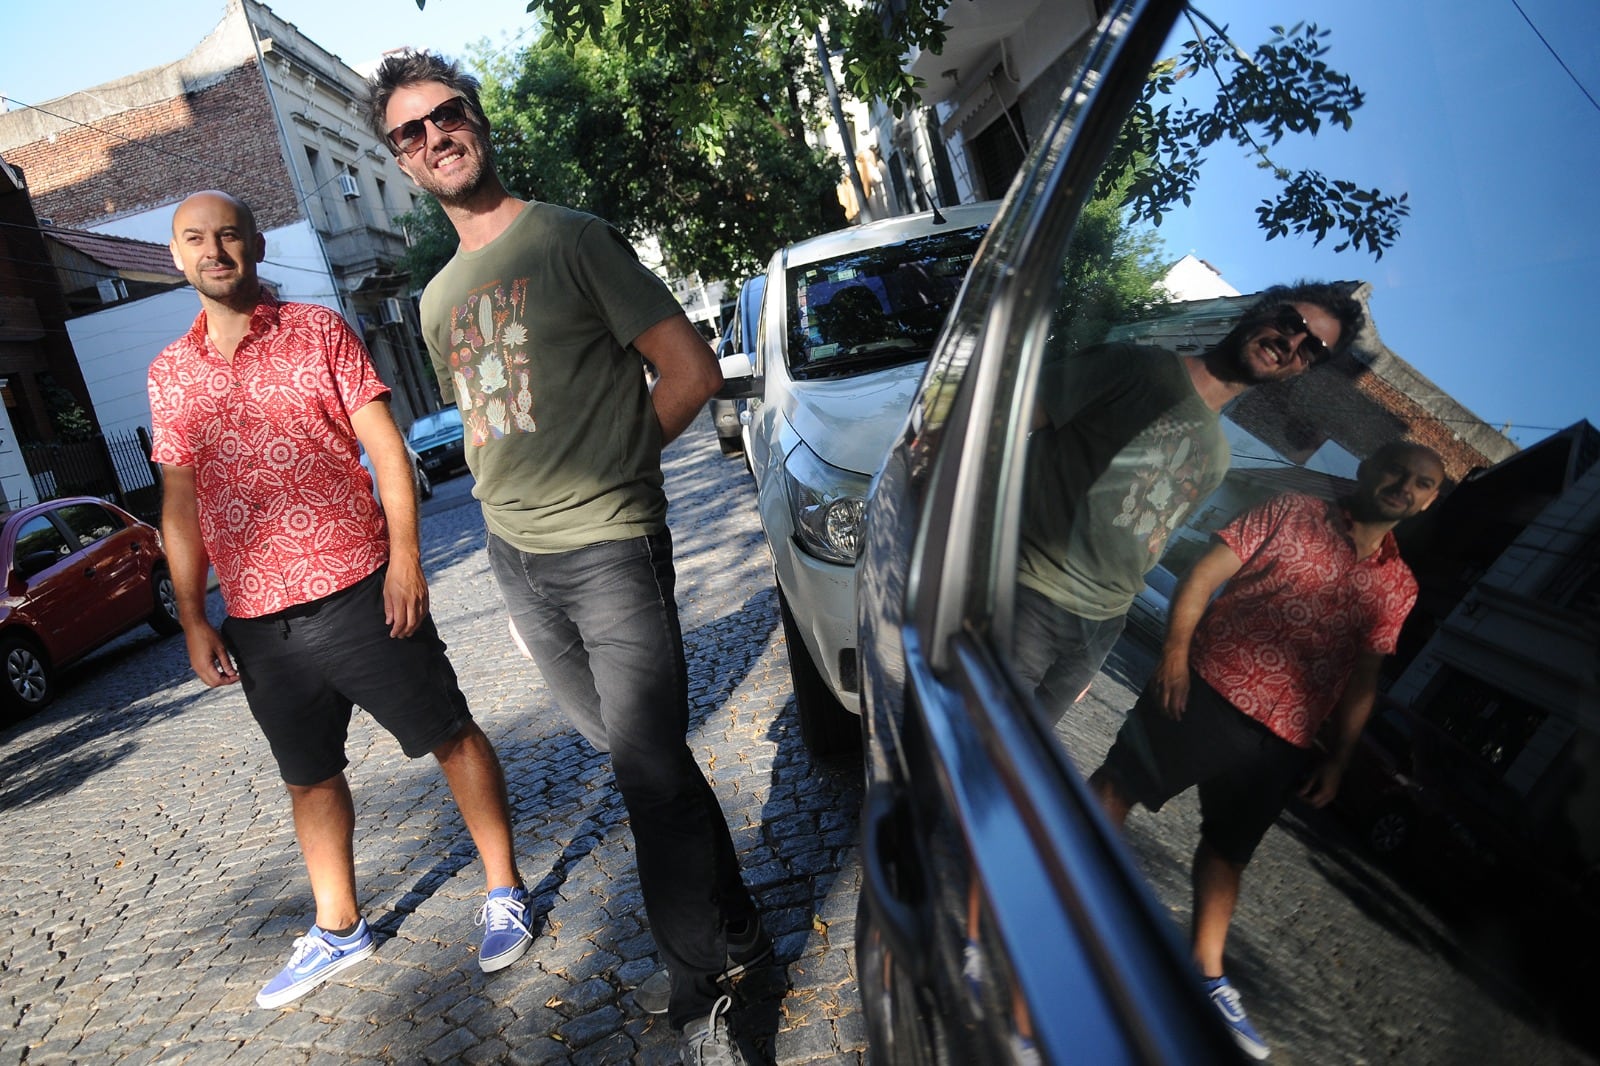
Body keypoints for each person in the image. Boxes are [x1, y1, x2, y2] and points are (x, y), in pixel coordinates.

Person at [365, 52, 765, 1065]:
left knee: (645, 767)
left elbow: (689, 370)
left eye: (447, 114)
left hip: (609, 546)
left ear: (478, 120)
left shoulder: (572, 239)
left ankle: (702, 995)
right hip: (517, 561)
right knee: (642, 758)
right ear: (401, 161)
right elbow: (495, 428)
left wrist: (616, 475)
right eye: (410, 132)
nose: (434, 137)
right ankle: (738, 926)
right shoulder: (436, 298)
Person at [148, 190, 533, 1010]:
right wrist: (192, 616)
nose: (214, 251)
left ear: (255, 245)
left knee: (449, 734)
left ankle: (504, 888)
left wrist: (406, 560)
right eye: (196, 240)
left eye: (228, 235)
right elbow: (178, 504)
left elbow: (386, 450)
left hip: (361, 589)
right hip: (260, 623)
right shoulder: (169, 375)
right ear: (176, 258)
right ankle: (339, 926)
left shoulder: (318, 331)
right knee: (310, 778)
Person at [1085, 440, 1446, 1059]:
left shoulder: (1399, 586)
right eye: (1396, 470)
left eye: (1422, 483)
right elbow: (1202, 575)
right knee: (1118, 787)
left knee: (1228, 853)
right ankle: (1062, 882)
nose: (1404, 486)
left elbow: (1364, 677)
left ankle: (1206, 975)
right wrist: (1173, 655)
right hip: (1205, 693)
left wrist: (1339, 758)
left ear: (1429, 501)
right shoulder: (1292, 511)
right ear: (1367, 469)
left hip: (1283, 738)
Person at [1012, 284, 1365, 722]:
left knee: (1012, 757)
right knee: (968, 743)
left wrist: (1091, 653)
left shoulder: (1218, 455)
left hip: (1099, 627)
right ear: (1257, 312)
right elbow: (998, 423)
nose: (1291, 343)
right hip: (1029, 592)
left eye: (1312, 348)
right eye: (1290, 322)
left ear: (1303, 369)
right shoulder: (1133, 367)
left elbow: (1142, 540)